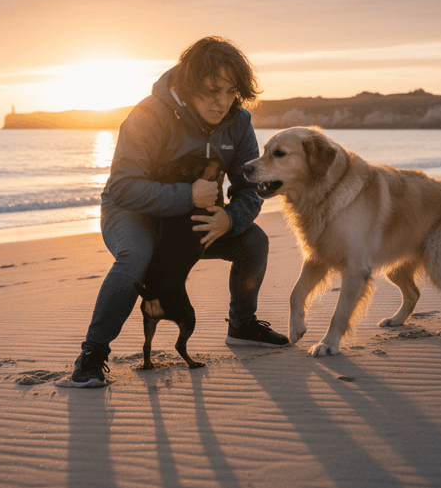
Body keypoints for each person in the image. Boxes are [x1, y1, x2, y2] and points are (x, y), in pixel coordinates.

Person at [65, 37, 288, 388]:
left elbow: (249, 187)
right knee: (135, 257)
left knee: (253, 240)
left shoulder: (238, 122)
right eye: (213, 90)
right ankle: (92, 355)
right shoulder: (149, 115)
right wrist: (188, 196)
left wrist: (230, 218)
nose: (222, 102)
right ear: (189, 84)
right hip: (132, 213)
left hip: (190, 218)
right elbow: (123, 186)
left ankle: (242, 325)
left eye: (231, 91)